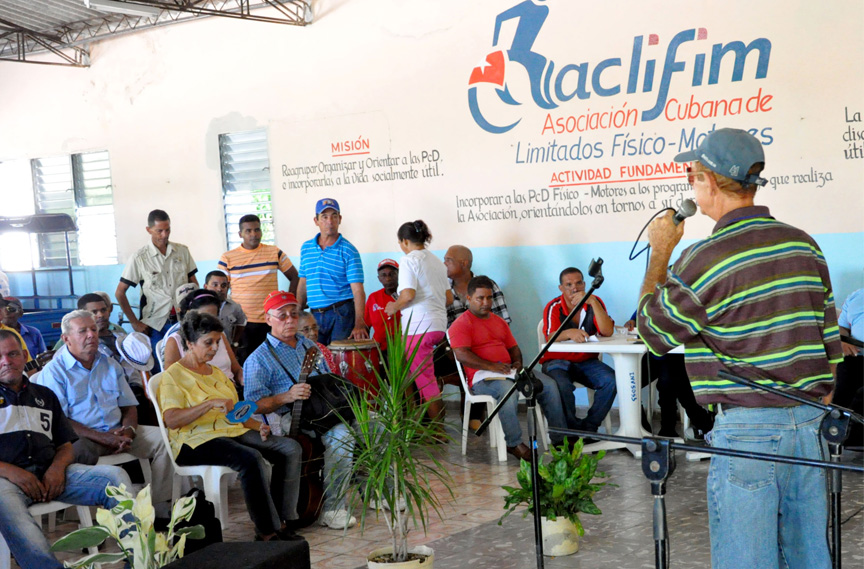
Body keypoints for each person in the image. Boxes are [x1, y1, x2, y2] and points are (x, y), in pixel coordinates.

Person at [638, 128, 841, 569]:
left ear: (709, 181)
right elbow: (830, 338)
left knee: (746, 560)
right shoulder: (804, 245)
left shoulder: (703, 257)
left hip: (748, 431)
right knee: (809, 557)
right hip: (809, 424)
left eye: (693, 174)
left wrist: (660, 252)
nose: (691, 183)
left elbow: (654, 332)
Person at [158, 311, 302, 542]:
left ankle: (283, 520)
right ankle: (266, 532)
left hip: (231, 432)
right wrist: (208, 404)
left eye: (217, 342)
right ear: (189, 343)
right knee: (250, 458)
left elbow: (236, 413)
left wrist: (258, 426)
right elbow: (172, 420)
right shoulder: (173, 376)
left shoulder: (215, 373)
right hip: (194, 440)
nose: (215, 348)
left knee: (289, 449)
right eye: (208, 343)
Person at [0, 329, 133, 569]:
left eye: (12, 354)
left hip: (50, 474)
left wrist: (58, 468)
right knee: (20, 524)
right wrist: (12, 471)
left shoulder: (44, 396)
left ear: (23, 355)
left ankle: (140, 560)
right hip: (5, 482)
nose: (6, 362)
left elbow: (64, 444)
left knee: (115, 478)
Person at [34, 310, 174, 518]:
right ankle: (84, 516)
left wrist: (128, 431)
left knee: (166, 440)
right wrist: (103, 437)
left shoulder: (109, 363)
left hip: (117, 432)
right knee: (72, 452)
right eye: (83, 331)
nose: (91, 335)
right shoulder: (55, 371)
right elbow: (60, 420)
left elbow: (128, 406)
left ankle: (159, 508)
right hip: (83, 436)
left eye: (93, 329)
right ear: (66, 339)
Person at [243, 291, 357, 530]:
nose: (289, 320)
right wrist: (287, 396)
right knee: (342, 436)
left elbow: (327, 377)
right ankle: (333, 508)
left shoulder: (309, 345)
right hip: (288, 416)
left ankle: (377, 491)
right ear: (268, 319)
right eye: (282, 315)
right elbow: (252, 405)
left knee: (375, 424)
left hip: (325, 411)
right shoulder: (258, 358)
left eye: (293, 314)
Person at [449, 276, 567, 461]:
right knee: (507, 391)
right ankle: (514, 443)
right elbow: (462, 355)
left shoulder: (498, 321)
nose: (486, 302)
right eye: (480, 298)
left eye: (489, 297)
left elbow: (514, 348)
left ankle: (560, 439)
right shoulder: (461, 324)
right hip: (482, 377)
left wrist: (518, 363)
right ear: (469, 298)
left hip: (507, 371)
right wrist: (492, 367)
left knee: (549, 385)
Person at [385, 221, 452, 423]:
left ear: (405, 241)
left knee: (425, 381)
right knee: (423, 377)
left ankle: (438, 431)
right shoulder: (437, 262)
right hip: (438, 327)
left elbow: (408, 294)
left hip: (418, 328)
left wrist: (393, 307)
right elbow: (449, 299)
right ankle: (421, 422)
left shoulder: (408, 260)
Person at [115, 209, 198, 369]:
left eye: (168, 230)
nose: (164, 235)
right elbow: (120, 292)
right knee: (160, 368)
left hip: (182, 322)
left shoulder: (182, 251)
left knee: (185, 366)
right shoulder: (140, 258)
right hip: (155, 324)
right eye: (159, 231)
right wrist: (134, 322)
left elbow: (194, 284)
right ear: (149, 230)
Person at [539, 267, 617, 435]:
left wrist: (593, 302)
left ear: (584, 284)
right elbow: (549, 336)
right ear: (561, 288)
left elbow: (607, 331)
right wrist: (568, 333)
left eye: (578, 283)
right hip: (556, 362)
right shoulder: (554, 306)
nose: (574, 288)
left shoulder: (595, 302)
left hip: (586, 361)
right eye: (568, 285)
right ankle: (572, 430)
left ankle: (589, 427)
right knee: (561, 386)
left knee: (612, 380)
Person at [218, 215, 298, 359]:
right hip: (242, 322)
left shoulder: (274, 252)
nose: (253, 234)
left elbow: (294, 276)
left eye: (257, 230)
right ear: (240, 234)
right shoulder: (228, 258)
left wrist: (289, 304)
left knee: (275, 360)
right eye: (248, 231)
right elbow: (221, 288)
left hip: (271, 320)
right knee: (246, 362)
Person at [625, 311, 714, 439]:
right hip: (655, 355)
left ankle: (671, 428)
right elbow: (636, 319)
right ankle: (641, 427)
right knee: (629, 379)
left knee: (667, 381)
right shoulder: (650, 298)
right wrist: (632, 323)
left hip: (678, 354)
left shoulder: (681, 299)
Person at [297, 199, 367, 345]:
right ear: (316, 221)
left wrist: (359, 323)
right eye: (324, 217)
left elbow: (358, 290)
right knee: (314, 357)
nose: (330, 221)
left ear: (340, 219)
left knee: (337, 359)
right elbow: (303, 282)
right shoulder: (306, 248)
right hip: (314, 314)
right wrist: (297, 313)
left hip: (341, 314)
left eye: (334, 216)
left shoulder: (349, 250)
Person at [163, 289, 243, 390]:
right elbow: (172, 383)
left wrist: (243, 378)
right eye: (203, 318)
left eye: (213, 317)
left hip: (231, 390)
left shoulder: (219, 336)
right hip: (202, 397)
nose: (215, 347)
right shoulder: (175, 341)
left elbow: (236, 369)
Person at [443, 245, 511, 326]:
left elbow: (503, 323)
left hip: (487, 337)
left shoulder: (488, 286)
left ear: (464, 263)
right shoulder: (443, 289)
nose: (444, 264)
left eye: (449, 260)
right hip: (455, 338)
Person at [836, 287, 863, 448]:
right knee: (841, 379)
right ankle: (837, 435)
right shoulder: (856, 296)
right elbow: (842, 326)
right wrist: (843, 340)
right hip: (856, 356)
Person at [203, 270, 247, 351]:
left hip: (226, 350)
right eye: (215, 285)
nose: (219, 289)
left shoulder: (234, 307)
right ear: (205, 287)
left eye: (223, 285)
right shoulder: (199, 307)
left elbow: (241, 323)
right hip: (204, 350)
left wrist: (234, 343)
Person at [364, 259, 401, 354]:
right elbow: (366, 326)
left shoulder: (406, 296)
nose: (388, 279)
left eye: (391, 274)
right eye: (383, 275)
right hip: (378, 350)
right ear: (379, 278)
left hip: (402, 349)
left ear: (399, 275)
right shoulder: (373, 298)